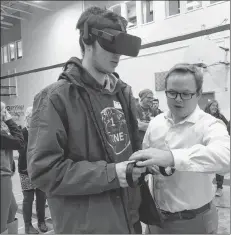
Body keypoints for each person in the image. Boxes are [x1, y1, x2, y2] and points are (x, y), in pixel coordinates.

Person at [27, 6, 145, 234]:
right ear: (87, 40)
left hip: (129, 220)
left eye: (120, 47)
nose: (117, 54)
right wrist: (111, 173)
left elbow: (127, 153)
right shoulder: (55, 98)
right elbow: (43, 171)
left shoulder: (123, 93)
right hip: (87, 226)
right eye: (110, 45)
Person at [129, 63, 230, 234]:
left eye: (185, 94)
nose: (177, 99)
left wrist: (171, 158)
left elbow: (226, 157)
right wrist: (146, 165)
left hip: (193, 221)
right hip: (156, 219)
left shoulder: (209, 124)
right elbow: (147, 154)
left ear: (198, 94)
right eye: (172, 93)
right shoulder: (156, 123)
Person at [18, 107, 48, 234]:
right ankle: (27, 225)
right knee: (28, 198)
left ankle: (41, 221)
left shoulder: (40, 131)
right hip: (25, 170)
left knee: (41, 197)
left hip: (40, 169)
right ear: (27, 119)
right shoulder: (22, 133)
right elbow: (22, 150)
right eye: (32, 117)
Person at [1, 101, 25, 234]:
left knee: (12, 208)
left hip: (5, 174)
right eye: (4, 111)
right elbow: (19, 142)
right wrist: (10, 121)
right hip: (2, 176)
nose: (6, 113)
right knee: (2, 218)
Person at [204, 100, 229, 197]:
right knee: (206, 165)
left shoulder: (220, 116)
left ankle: (219, 187)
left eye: (216, 106)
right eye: (213, 105)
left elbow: (227, 126)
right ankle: (206, 186)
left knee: (219, 165)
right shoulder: (204, 116)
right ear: (208, 106)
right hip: (207, 143)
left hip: (218, 143)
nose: (215, 107)